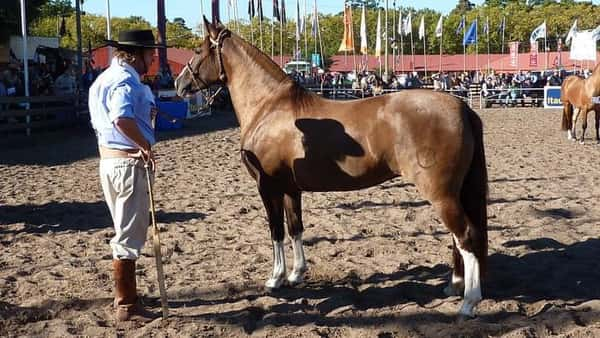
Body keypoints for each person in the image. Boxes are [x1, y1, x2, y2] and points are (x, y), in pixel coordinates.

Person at [88, 29, 163, 322]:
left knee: (126, 228)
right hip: (127, 163)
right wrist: (143, 145)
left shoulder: (105, 78)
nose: (153, 58)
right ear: (137, 54)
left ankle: (127, 298)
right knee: (129, 234)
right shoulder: (125, 79)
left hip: (111, 160)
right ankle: (127, 304)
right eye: (150, 54)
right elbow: (121, 117)